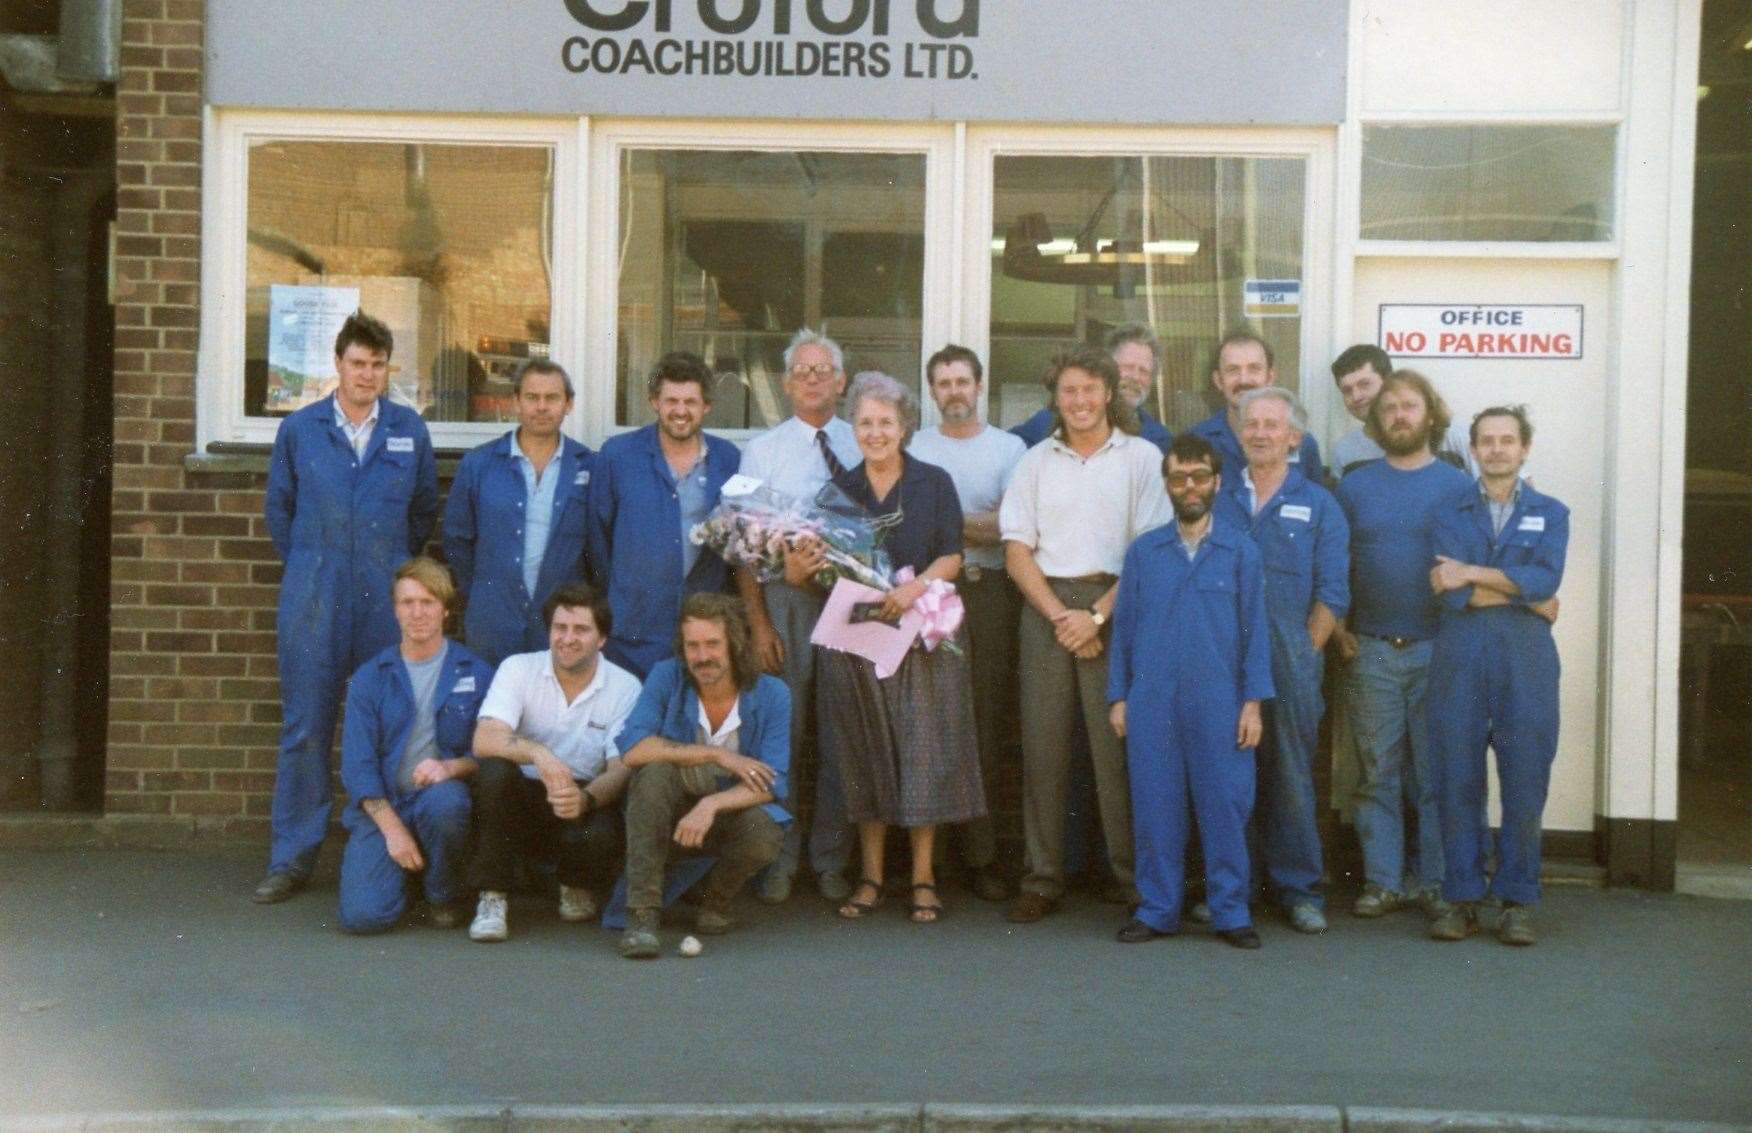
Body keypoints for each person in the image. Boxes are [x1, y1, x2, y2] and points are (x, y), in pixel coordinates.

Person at [256, 311, 438, 904]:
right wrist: (314, 563)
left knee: (387, 729)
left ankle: (379, 852)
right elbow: (279, 511)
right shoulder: (302, 429)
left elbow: (421, 513)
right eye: (357, 363)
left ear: (388, 369)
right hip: (315, 594)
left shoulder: (409, 429)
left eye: (377, 365)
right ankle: (292, 858)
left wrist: (384, 565)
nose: (366, 374)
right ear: (338, 365)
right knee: (307, 727)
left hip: (383, 597)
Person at [999, 344, 1171, 923]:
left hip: (1117, 607)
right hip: (1047, 608)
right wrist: (1061, 618)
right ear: (1057, 398)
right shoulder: (1034, 461)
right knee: (1043, 750)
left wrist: (1096, 617)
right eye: (1068, 391)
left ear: (1108, 394)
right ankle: (1042, 877)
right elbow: (1016, 549)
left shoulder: (1143, 458)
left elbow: (1149, 552)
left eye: (1089, 390)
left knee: (1116, 750)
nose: (1079, 401)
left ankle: (1129, 878)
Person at [815, 371, 984, 924]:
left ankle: (923, 877)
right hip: (860, 634)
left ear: (905, 426)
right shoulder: (841, 490)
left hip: (923, 632)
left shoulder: (933, 482)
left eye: (886, 422)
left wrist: (914, 589)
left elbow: (952, 554)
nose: (875, 432)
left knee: (923, 752)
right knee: (866, 751)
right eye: (865, 422)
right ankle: (870, 876)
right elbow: (828, 565)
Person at [1109, 434, 1273, 947]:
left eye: (1199, 477)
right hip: (1152, 699)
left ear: (1217, 482)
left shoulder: (1240, 552)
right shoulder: (1144, 553)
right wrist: (1119, 697)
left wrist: (1253, 703)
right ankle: (1157, 909)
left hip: (1221, 702)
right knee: (1156, 808)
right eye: (1178, 478)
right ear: (1167, 484)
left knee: (1224, 805)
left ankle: (1231, 912)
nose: (1189, 487)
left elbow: (1256, 633)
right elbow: (1125, 630)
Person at [1426, 407, 1569, 946]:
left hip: (1525, 662)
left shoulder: (1551, 513)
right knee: (1457, 779)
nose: (1497, 449)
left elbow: (1546, 577)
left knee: (1525, 780)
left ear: (1525, 448)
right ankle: (1460, 898)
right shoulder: (1448, 508)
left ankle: (1516, 901)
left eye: (1508, 440)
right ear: (1474, 449)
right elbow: (1449, 587)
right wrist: (1526, 597)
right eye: (1487, 441)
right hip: (1460, 657)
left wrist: (1474, 573)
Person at [1335, 370, 1472, 919]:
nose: (1398, 415)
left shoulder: (1459, 487)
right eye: (1388, 407)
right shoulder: (1354, 486)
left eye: (1409, 405)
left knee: (1437, 773)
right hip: (1369, 649)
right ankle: (1384, 881)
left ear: (1431, 415)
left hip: (1439, 648)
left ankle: (1437, 882)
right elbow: (1334, 565)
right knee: (1377, 772)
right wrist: (1340, 628)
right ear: (1375, 422)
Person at [1213, 388, 1348, 934]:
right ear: (1241, 433)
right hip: (1222, 660)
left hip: (1290, 660)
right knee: (1229, 773)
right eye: (1253, 424)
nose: (1262, 433)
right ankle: (1232, 889)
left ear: (1295, 437)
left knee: (1291, 773)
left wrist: (1304, 651)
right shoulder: (1219, 499)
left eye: (1275, 425)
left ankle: (1299, 891)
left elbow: (1333, 595)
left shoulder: (1320, 505)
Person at [732, 328, 861, 903]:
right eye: (801, 371)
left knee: (840, 732)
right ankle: (778, 860)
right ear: (786, 385)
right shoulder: (762, 450)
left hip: (850, 604)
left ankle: (831, 859)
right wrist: (758, 623)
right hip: (784, 603)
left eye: (823, 370)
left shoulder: (862, 441)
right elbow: (740, 543)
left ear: (840, 382)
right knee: (784, 733)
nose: (812, 379)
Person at [907, 344, 1025, 901]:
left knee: (986, 723)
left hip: (989, 595)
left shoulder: (1009, 449)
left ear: (979, 386)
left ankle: (984, 858)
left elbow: (1016, 526)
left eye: (963, 381)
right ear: (932, 392)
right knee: (931, 722)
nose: (954, 391)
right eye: (944, 383)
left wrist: (946, 527)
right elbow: (910, 525)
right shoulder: (915, 448)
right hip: (929, 595)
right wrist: (973, 526)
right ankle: (935, 861)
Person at [615, 593, 791, 958]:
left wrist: (711, 804)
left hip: (726, 812)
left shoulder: (773, 694)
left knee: (765, 831)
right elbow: (633, 749)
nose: (703, 656)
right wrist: (717, 754)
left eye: (713, 643)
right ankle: (642, 917)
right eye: (692, 645)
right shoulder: (667, 675)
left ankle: (715, 900)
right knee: (653, 773)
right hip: (669, 809)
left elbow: (773, 781)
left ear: (734, 644)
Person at [466, 583, 642, 942]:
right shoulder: (518, 669)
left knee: (605, 829)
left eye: (581, 629)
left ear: (602, 638)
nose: (568, 638)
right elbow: (484, 739)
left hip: (581, 799)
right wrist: (538, 753)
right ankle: (493, 896)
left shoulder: (625, 687)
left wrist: (586, 800)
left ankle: (572, 883)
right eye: (560, 628)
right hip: (523, 796)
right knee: (495, 772)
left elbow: (621, 767)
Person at [336, 558, 493, 934]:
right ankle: (403, 874)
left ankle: (441, 894)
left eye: (428, 602)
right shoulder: (371, 677)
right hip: (385, 806)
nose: (418, 612)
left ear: (446, 609)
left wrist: (452, 768)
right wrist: (393, 831)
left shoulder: (476, 671)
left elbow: (490, 754)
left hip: (439, 802)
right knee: (363, 918)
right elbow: (358, 767)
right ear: (395, 610)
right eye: (407, 603)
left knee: (448, 802)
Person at [589, 351, 742, 678]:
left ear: (707, 407)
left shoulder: (728, 460)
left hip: (703, 628)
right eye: (671, 400)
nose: (681, 411)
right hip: (632, 629)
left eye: (691, 402)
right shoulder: (618, 456)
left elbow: (738, 541)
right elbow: (597, 538)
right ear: (654, 402)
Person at [443, 359, 595, 666]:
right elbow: (457, 538)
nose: (541, 407)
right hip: (493, 621)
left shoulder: (590, 466)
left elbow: (600, 548)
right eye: (532, 397)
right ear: (516, 402)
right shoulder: (480, 464)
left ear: (569, 404)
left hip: (562, 623)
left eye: (552, 398)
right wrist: (485, 595)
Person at [1011, 323, 1173, 454]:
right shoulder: (1049, 421)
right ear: (1107, 367)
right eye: (1127, 367)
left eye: (1143, 370)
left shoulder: (1160, 439)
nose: (1135, 377)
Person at [1189, 330, 1324, 486]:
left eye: (1254, 368)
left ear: (1269, 378)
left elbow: (1315, 503)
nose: (1244, 379)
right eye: (1233, 370)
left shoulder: (1302, 444)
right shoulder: (1197, 442)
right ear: (1218, 380)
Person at [1327, 344, 1475, 481]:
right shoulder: (1345, 451)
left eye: (1364, 384)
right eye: (1347, 391)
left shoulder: (1453, 438)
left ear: (1389, 382)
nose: (1356, 396)